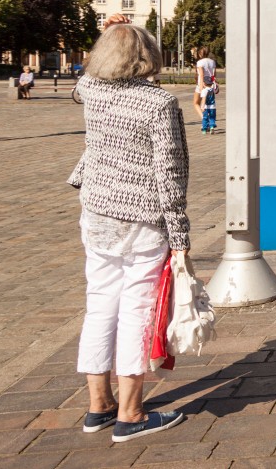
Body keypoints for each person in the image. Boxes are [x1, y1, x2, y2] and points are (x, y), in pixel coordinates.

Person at [68, 22, 189, 443]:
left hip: (97, 211)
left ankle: (98, 405)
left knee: (100, 303)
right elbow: (169, 174)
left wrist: (107, 34)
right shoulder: (160, 103)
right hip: (142, 220)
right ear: (149, 56)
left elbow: (80, 82)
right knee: (137, 310)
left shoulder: (91, 91)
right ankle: (131, 413)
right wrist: (180, 236)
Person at [193, 47, 217, 119]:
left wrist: (201, 87)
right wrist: (213, 83)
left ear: (200, 54)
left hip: (202, 84)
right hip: (210, 85)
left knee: (196, 103)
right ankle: (208, 119)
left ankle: (204, 118)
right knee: (208, 104)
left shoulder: (200, 62)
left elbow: (201, 74)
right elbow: (214, 75)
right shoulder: (213, 62)